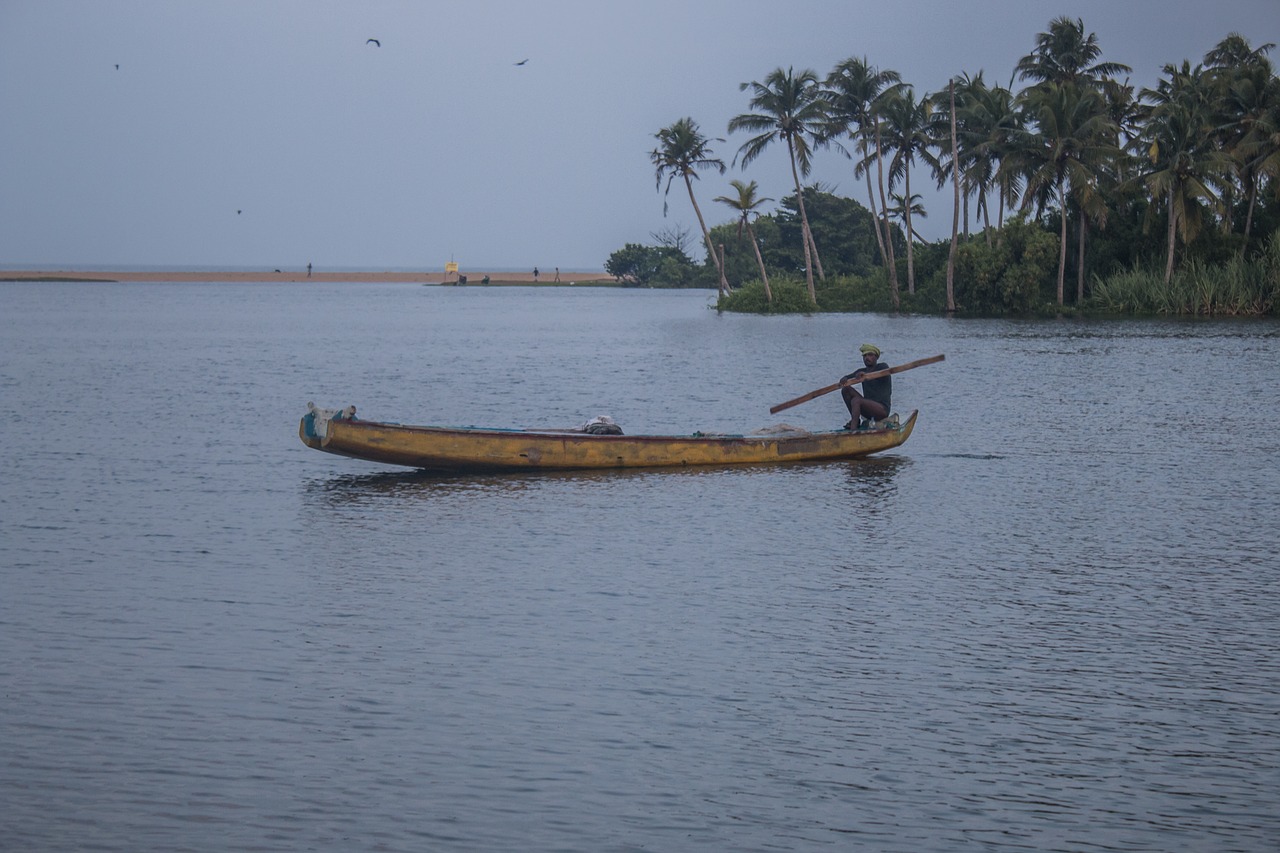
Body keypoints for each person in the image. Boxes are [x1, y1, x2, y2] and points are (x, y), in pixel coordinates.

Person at [841, 344, 890, 429]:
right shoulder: (861, 371)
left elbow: (883, 372)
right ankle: (856, 421)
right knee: (846, 389)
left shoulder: (882, 367)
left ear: (876, 357)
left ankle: (853, 429)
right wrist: (844, 379)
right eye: (865, 356)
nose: (867, 358)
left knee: (856, 401)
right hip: (868, 408)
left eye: (870, 355)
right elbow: (848, 377)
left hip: (881, 410)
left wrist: (865, 375)